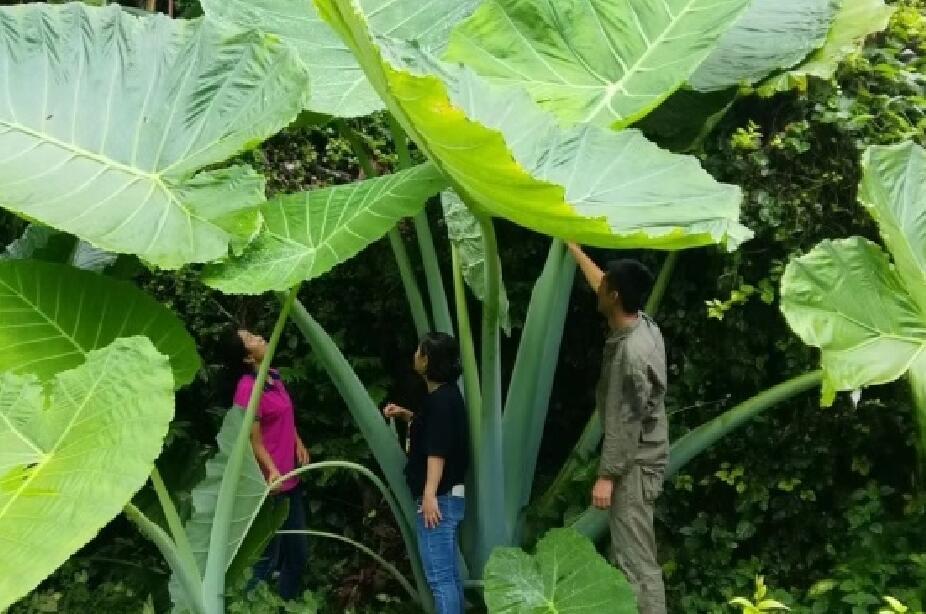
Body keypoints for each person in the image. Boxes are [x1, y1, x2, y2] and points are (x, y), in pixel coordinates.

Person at [568, 243, 669, 614]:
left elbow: (627, 421)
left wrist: (607, 476)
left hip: (634, 465)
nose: (600, 287)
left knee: (636, 563)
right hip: (644, 456)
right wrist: (571, 245)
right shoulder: (643, 323)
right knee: (631, 553)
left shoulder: (631, 355)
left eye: (605, 285)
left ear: (614, 296)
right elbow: (602, 282)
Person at [384, 333, 469, 614]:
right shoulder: (446, 396)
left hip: (439, 500)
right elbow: (434, 431)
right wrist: (407, 415)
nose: (415, 355)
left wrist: (429, 495)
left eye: (419, 351)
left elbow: (438, 451)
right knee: (449, 577)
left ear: (427, 360)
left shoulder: (440, 402)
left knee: (439, 579)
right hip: (449, 497)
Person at [225, 328, 310, 601]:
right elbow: (253, 441)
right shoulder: (247, 389)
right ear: (248, 358)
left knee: (297, 554)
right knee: (265, 559)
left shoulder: (272, 375)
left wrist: (297, 440)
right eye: (251, 340)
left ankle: (285, 603)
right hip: (270, 485)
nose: (260, 338)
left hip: (291, 477)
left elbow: (285, 415)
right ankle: (250, 605)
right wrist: (272, 471)